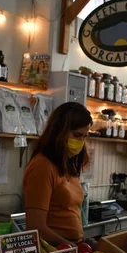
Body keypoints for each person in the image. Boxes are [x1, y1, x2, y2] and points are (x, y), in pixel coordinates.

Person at [23, 102, 92, 245]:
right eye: (77, 135)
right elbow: (36, 227)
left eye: (84, 137)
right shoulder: (42, 166)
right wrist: (72, 249)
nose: (80, 142)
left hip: (72, 247)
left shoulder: (68, 164)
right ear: (58, 131)